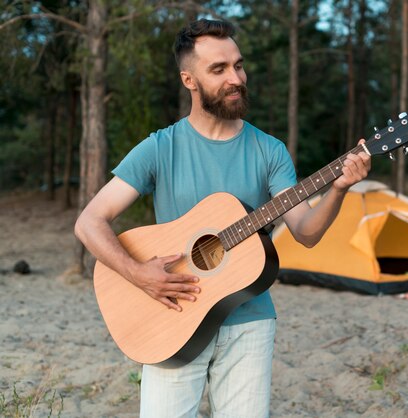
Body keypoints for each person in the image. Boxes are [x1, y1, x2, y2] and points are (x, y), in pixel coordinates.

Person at [74, 18, 370, 418]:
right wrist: (137, 272)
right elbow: (89, 221)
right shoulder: (159, 148)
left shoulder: (269, 150)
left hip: (249, 320)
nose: (236, 78)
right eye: (219, 69)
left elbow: (306, 232)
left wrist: (338, 189)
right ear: (189, 80)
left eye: (239, 65)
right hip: (172, 315)